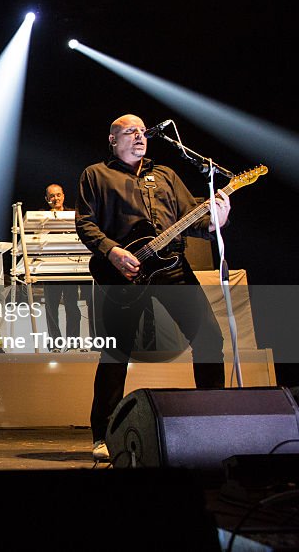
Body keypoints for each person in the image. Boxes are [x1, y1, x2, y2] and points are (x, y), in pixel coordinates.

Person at [76, 114, 229, 462]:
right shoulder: (96, 175)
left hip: (172, 267)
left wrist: (218, 219)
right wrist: (112, 251)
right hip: (124, 272)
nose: (139, 136)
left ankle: (216, 420)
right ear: (113, 140)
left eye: (142, 131)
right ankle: (103, 433)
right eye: (130, 132)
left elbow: (195, 219)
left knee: (209, 338)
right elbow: (85, 222)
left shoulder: (165, 176)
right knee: (117, 353)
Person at [40, 184, 85, 350]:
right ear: (47, 199)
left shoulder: (73, 214)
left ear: (63, 196)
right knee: (51, 307)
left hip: (69, 267)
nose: (55, 198)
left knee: (72, 306)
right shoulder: (41, 217)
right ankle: (55, 344)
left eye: (58, 195)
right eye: (52, 196)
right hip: (50, 268)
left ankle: (73, 343)